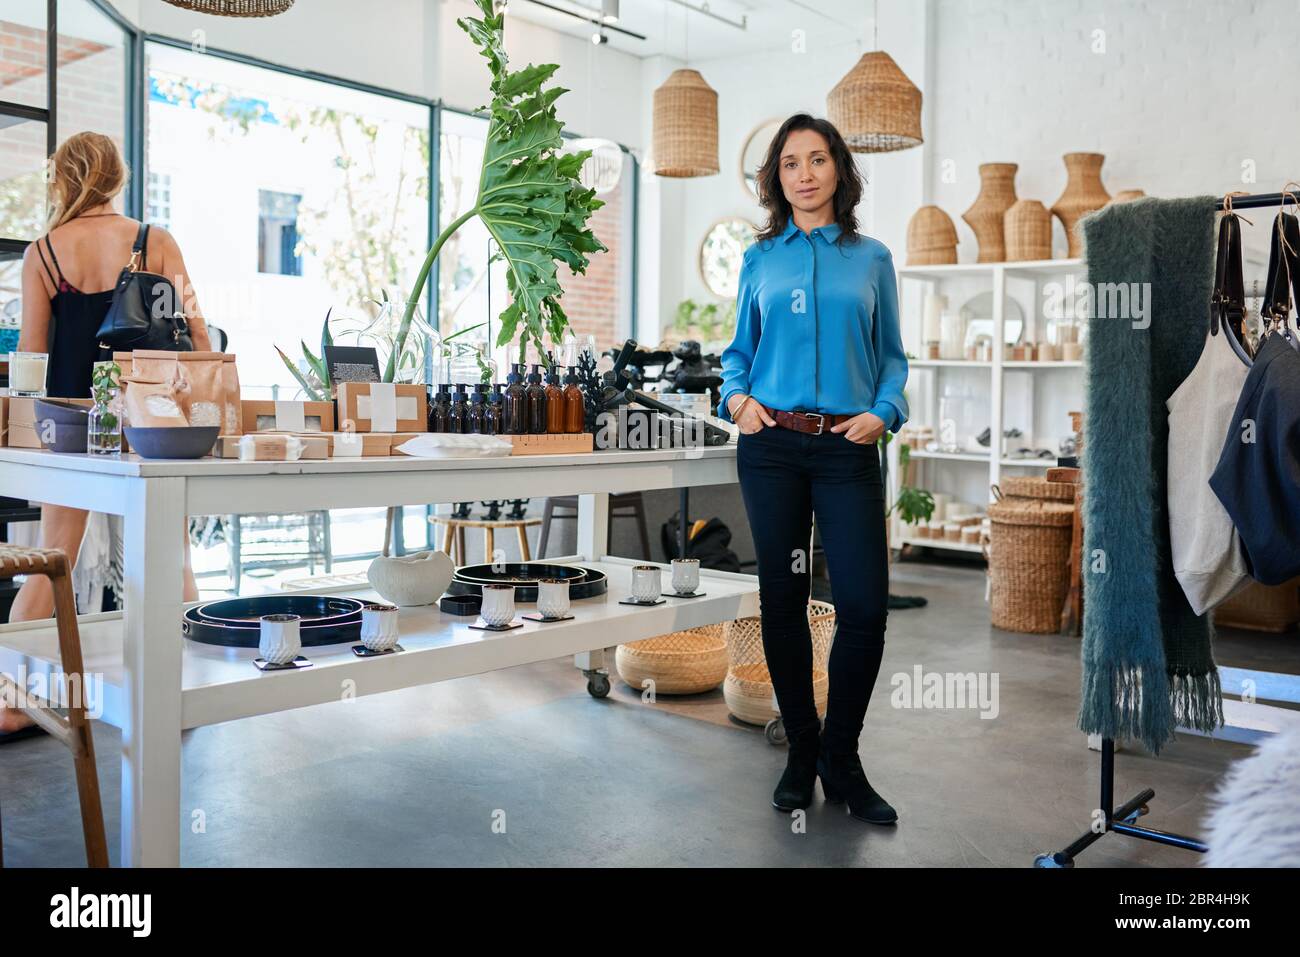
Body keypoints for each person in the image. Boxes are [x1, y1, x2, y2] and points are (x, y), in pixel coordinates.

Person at [718, 113, 909, 824]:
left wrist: (885, 411)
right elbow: (737, 350)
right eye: (791, 162)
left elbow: (892, 356)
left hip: (847, 449)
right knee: (783, 597)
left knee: (862, 606)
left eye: (818, 159)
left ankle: (843, 754)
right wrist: (736, 397)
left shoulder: (872, 259)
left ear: (839, 171)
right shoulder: (759, 259)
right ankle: (801, 749)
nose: (804, 172)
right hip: (771, 446)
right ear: (777, 177)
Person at [1, 132, 211, 739]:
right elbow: (197, 332)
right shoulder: (155, 241)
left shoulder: (42, 253)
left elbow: (33, 354)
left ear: (62, 180)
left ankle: (12, 700)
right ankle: (180, 695)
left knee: (53, 560)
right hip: (154, 417)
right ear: (118, 177)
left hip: (72, 420)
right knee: (173, 556)